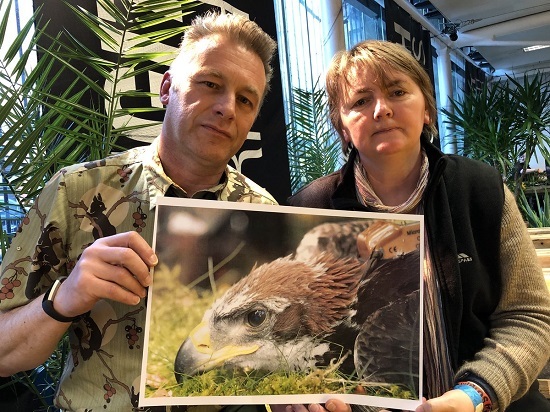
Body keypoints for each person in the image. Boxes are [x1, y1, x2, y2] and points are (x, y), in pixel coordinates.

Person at [0, 10, 350, 412]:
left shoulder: (262, 209)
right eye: (210, 84)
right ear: (167, 88)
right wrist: (64, 298)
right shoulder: (76, 190)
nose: (227, 108)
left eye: (245, 99)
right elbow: (4, 354)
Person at [287, 40, 550, 412]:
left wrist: (473, 396)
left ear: (426, 108)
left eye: (398, 92)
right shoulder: (311, 208)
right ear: (342, 126)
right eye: (361, 101)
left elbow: (528, 317)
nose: (382, 110)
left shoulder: (480, 191)